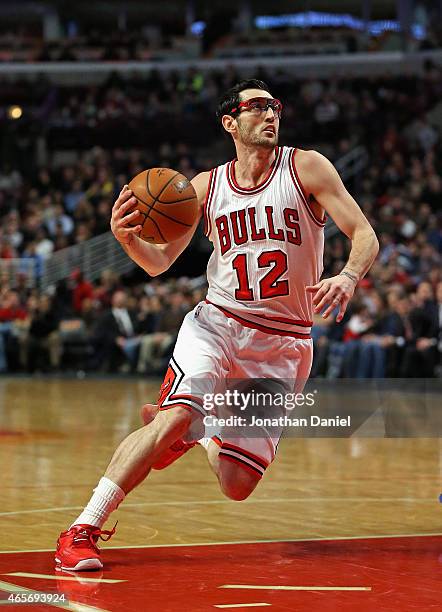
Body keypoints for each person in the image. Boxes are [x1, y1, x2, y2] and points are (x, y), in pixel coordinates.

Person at [55, 79, 378, 571]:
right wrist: (128, 241)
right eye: (256, 107)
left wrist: (349, 275)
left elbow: (364, 234)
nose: (270, 114)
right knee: (174, 416)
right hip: (218, 324)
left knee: (236, 484)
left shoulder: (306, 166)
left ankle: (201, 433)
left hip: (284, 345)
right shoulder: (204, 187)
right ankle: (82, 529)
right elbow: (159, 263)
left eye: (274, 107)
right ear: (230, 123)